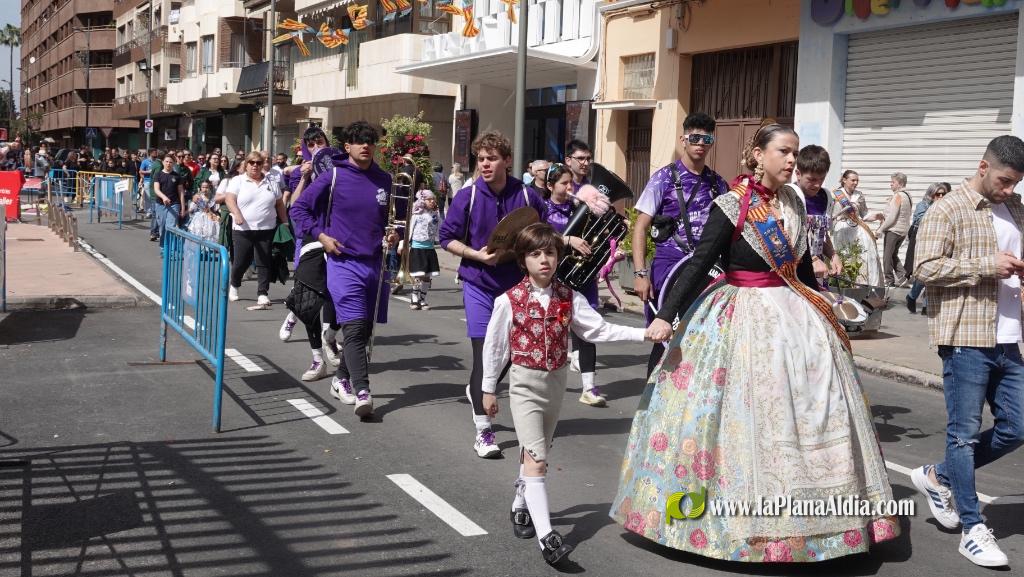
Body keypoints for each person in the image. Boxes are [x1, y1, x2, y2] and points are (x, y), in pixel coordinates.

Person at [611, 123, 900, 561]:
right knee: (739, 419)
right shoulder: (730, 205)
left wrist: (824, 303)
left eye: (795, 153)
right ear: (758, 154)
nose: (791, 161)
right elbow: (699, 264)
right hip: (741, 318)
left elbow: (799, 271)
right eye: (784, 151)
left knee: (808, 415)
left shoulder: (795, 204)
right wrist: (666, 316)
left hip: (796, 322)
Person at [482, 223, 648, 567]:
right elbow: (495, 347)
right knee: (538, 459)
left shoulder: (570, 296)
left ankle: (520, 501)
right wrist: (487, 388)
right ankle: (548, 539)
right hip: (524, 385)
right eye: (535, 254)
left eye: (550, 252)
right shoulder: (508, 300)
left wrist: (645, 334)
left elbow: (599, 329)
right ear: (523, 260)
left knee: (536, 453)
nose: (544, 260)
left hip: (555, 384)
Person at [910, 136, 1024, 568]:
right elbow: (923, 269)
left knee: (1017, 427)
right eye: (1005, 181)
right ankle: (972, 528)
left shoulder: (1015, 210)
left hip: (1009, 338)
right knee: (963, 432)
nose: (1010, 190)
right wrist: (985, 265)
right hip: (965, 338)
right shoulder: (948, 208)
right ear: (983, 167)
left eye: (1015, 184)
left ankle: (939, 475)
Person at [439, 130, 548, 458]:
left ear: (507, 161)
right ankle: (484, 430)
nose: (485, 164)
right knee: (485, 353)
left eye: (492, 158)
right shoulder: (467, 197)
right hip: (478, 285)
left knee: (510, 355)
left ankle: (479, 390)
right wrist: (476, 255)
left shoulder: (527, 196)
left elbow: (543, 233)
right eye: (481, 159)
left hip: (516, 287)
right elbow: (446, 237)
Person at [291, 121, 392, 419]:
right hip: (342, 262)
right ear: (346, 146)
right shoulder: (333, 174)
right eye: (359, 141)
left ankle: (340, 379)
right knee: (355, 327)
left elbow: (391, 220)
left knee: (363, 329)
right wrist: (321, 236)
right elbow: (299, 209)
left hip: (375, 262)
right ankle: (363, 390)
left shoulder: (384, 179)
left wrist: (393, 235)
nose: (365, 146)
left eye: (370, 141)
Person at [631, 112, 728, 376]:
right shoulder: (663, 178)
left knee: (697, 337)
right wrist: (640, 274)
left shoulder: (718, 184)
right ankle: (651, 399)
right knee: (664, 337)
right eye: (694, 137)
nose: (700, 143)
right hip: (668, 267)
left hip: (704, 270)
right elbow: (640, 226)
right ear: (683, 139)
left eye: (706, 139)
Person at [543, 163, 610, 406]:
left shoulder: (579, 207)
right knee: (555, 330)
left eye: (571, 183)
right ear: (550, 185)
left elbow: (598, 233)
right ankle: (547, 383)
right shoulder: (542, 209)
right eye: (564, 183)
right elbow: (536, 237)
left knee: (589, 331)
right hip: (556, 277)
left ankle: (589, 387)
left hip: (583, 278)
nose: (570, 187)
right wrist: (566, 239)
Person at [225, 151, 288, 308]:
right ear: (246, 165)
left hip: (266, 228)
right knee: (241, 261)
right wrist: (237, 214)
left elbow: (279, 203)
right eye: (252, 162)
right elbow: (229, 199)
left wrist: (285, 222)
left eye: (258, 163)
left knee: (264, 261)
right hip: (243, 229)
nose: (255, 165)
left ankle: (262, 293)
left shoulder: (271, 182)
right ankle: (234, 284)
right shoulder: (237, 181)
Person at [789, 145, 842, 287]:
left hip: (818, 270)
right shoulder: (789, 196)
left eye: (822, 178)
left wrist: (833, 255)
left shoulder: (826, 197)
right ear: (798, 174)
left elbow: (821, 234)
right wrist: (811, 259)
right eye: (812, 179)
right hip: (794, 269)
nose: (817, 184)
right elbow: (785, 237)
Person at [830, 170, 882, 287]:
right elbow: (829, 216)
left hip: (857, 229)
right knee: (844, 255)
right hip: (841, 229)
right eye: (853, 180)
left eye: (857, 180)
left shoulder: (859, 195)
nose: (856, 183)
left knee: (863, 255)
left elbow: (865, 214)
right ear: (844, 180)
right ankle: (843, 284)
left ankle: (862, 285)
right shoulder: (835, 195)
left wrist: (876, 216)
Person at [906, 182, 950, 315]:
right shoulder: (923, 205)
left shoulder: (947, 207)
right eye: (938, 194)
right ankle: (912, 296)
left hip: (940, 243)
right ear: (931, 194)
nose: (941, 196)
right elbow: (919, 221)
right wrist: (935, 210)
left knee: (933, 275)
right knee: (924, 274)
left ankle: (926, 305)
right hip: (923, 243)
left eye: (943, 194)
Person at [874, 172, 912, 287]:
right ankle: (902, 276)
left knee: (887, 256)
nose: (890, 184)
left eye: (893, 182)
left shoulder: (898, 196)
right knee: (893, 255)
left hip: (894, 231)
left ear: (899, 184)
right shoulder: (908, 195)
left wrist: (881, 229)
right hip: (903, 231)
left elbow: (892, 216)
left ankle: (889, 280)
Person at [408, 190, 441, 310]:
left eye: (433, 199)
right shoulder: (417, 214)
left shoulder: (435, 214)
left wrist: (443, 241)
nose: (432, 201)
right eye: (429, 199)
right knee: (418, 275)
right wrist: (404, 244)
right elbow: (410, 229)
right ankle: (414, 296)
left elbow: (439, 229)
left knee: (427, 276)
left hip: (430, 248)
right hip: (418, 247)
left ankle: (422, 298)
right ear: (423, 201)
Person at [153, 154, 186, 250]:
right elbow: (156, 189)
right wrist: (163, 197)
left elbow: (181, 192)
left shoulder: (177, 176)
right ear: (163, 162)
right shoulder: (158, 174)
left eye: (171, 162)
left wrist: (183, 208)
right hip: (160, 204)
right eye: (166, 161)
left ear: (174, 164)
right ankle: (163, 247)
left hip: (174, 204)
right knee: (162, 227)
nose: (168, 164)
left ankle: (169, 249)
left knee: (170, 226)